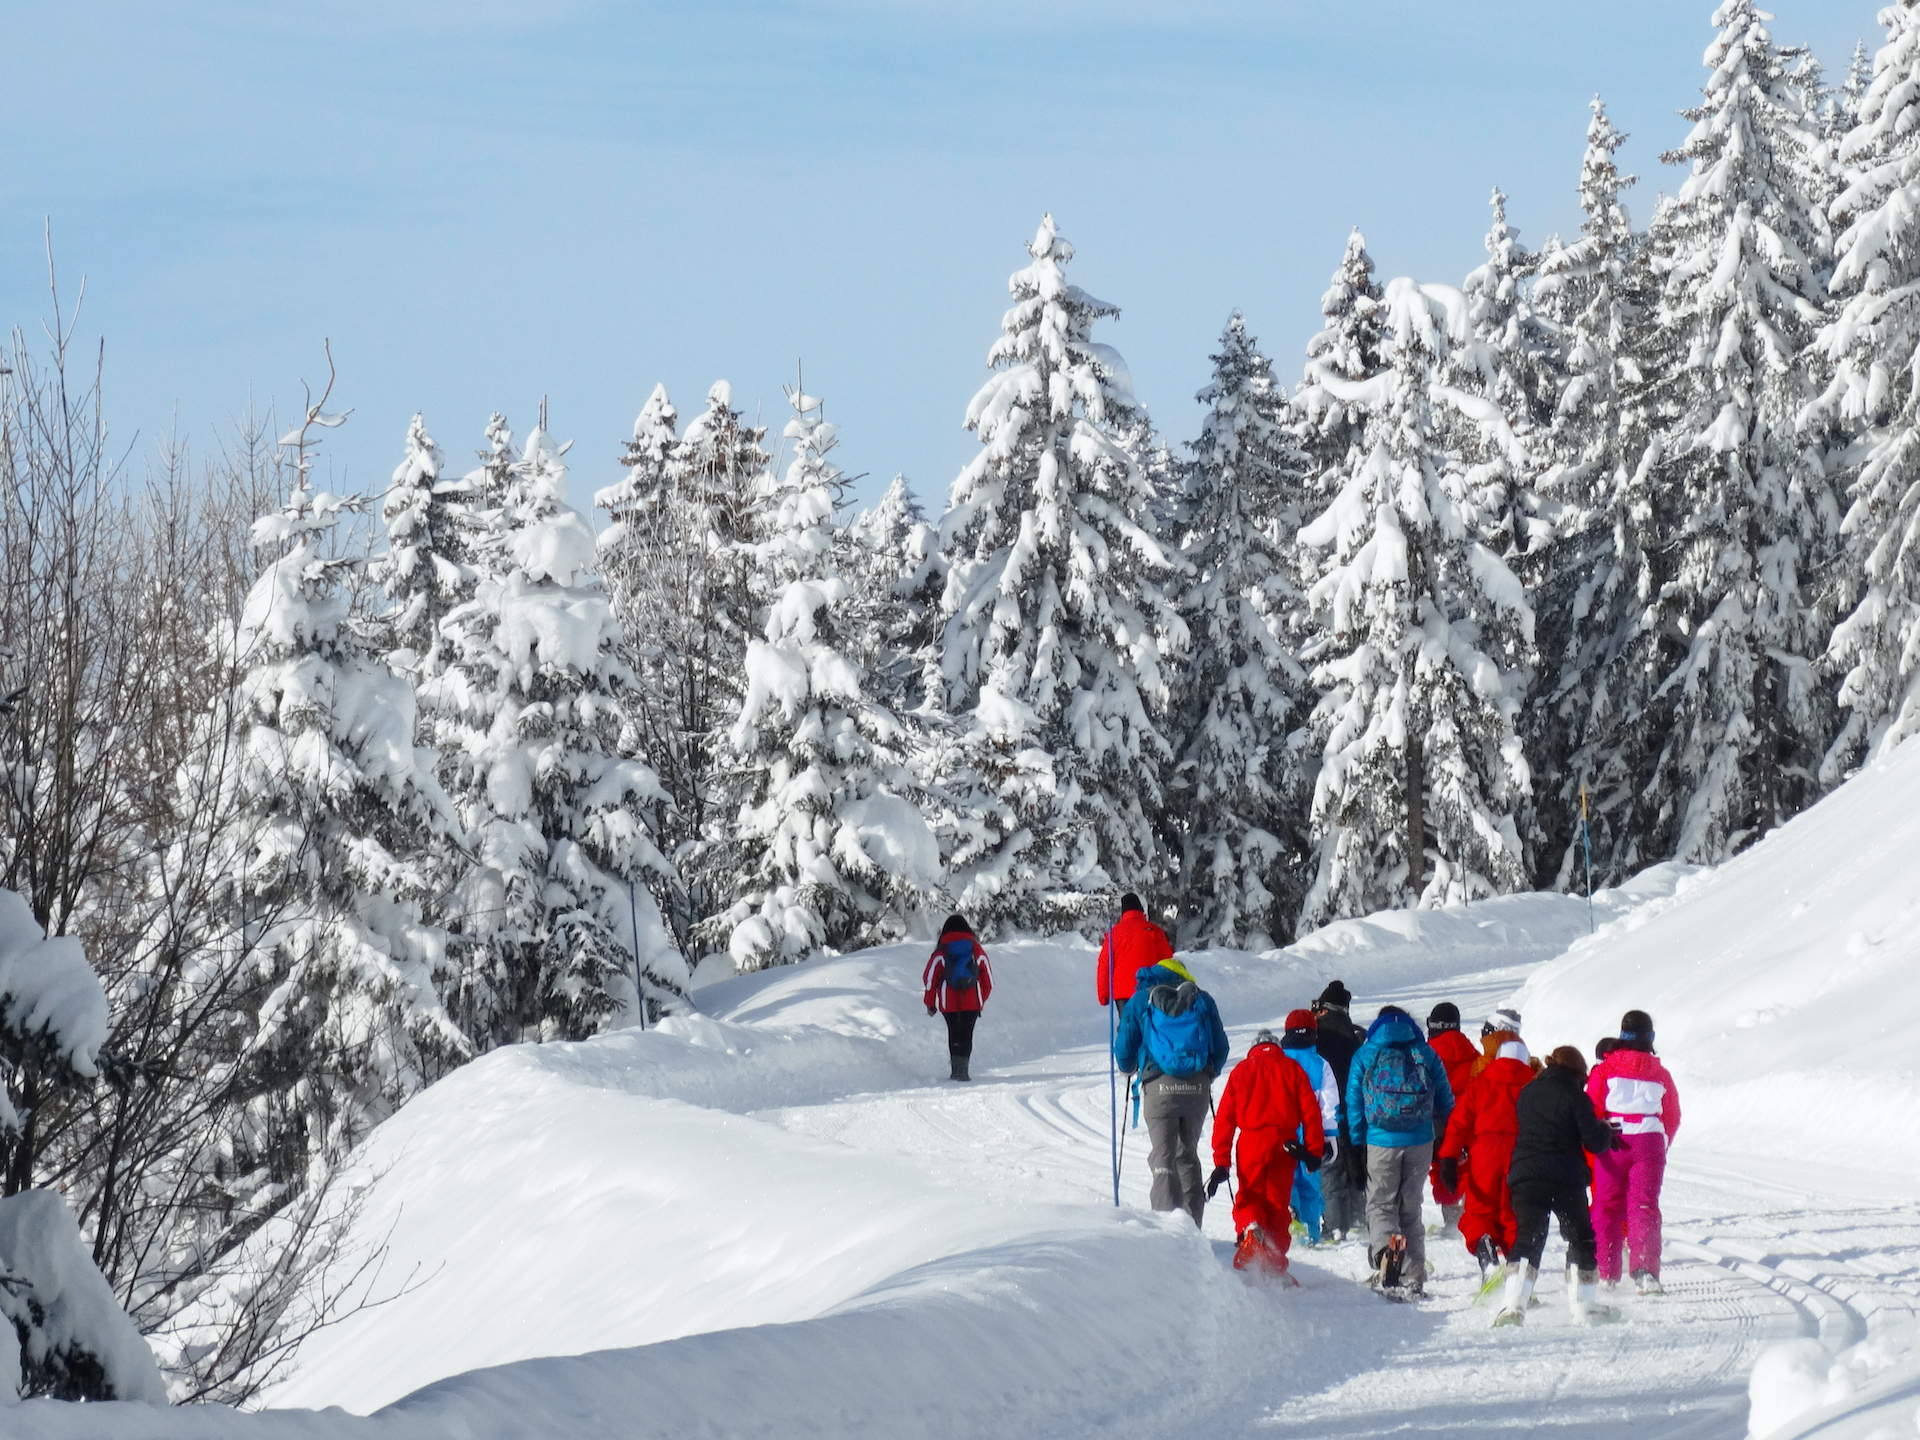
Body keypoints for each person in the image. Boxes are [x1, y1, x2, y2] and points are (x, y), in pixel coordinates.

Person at [1501, 1045, 1622, 1326]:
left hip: (1526, 1176)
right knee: (1580, 1238)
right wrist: (1604, 1130)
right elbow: (1593, 1140)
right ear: (1577, 1074)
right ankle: (1583, 1307)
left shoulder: (1527, 1092)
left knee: (1528, 1238)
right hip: (1565, 1179)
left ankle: (1512, 1306)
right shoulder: (1575, 1097)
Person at [1114, 956, 1230, 1225]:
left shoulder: (1142, 999)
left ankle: (1168, 1231)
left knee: (1163, 1158)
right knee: (1187, 1154)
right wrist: (1207, 1073)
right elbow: (1221, 1048)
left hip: (1159, 1086)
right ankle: (1192, 1230)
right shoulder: (1201, 999)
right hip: (1197, 1088)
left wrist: (1128, 1067)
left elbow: (1124, 1049)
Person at [1347, 1005, 1454, 1296]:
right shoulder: (1426, 1053)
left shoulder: (1366, 1054)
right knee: (1411, 1209)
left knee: (1381, 1204)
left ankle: (1385, 1256)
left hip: (1381, 1140)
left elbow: (1354, 1104)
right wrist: (1452, 1140)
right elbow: (1446, 1100)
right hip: (1421, 1140)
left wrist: (1357, 1144)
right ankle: (1414, 1276)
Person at [1207, 1026, 1327, 1277]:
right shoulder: (1292, 1069)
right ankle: (1275, 1263)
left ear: (1253, 1048)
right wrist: (1313, 1151)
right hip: (1285, 1146)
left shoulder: (1242, 1071)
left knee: (1249, 1194)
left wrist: (1222, 1160)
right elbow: (1311, 1113)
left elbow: (1225, 1120)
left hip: (1250, 1143)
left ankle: (1251, 1228)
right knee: (1277, 1203)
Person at [1587, 1009, 1681, 1294]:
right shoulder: (1660, 1073)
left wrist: (1596, 1137)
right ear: (1650, 1037)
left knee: (1606, 1207)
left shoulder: (1606, 1068)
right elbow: (1672, 1114)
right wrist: (1662, 1142)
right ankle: (1645, 1273)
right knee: (1644, 1206)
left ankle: (1606, 1275)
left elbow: (1591, 1106)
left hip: (1612, 1138)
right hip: (1649, 1140)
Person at [1437, 1024, 1535, 1281]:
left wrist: (1448, 1157)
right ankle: (1517, 1279)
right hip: (1522, 1157)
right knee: (1515, 1217)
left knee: (1479, 1212)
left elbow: (1459, 1123)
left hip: (1484, 1157)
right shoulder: (1533, 1086)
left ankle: (1488, 1259)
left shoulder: (1481, 1083)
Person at [1279, 1010, 1340, 1245]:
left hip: (1283, 1128)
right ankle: (1311, 1234)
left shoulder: (1279, 1059)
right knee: (1310, 1182)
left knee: (1285, 1179)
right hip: (1309, 1129)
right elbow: (1328, 1103)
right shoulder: (1320, 1064)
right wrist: (1330, 1135)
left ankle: (1287, 1223)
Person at [1311, 981, 1366, 1241]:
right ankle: (1358, 1221)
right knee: (1355, 1167)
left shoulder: (1317, 1037)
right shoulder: (1355, 1037)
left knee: (1330, 1171)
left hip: (1327, 1115)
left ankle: (1334, 1226)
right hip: (1355, 1115)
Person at [1424, 1002, 1479, 1235]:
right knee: (1467, 1167)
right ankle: (1468, 1215)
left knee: (1440, 1167)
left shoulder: (1426, 1054)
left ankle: (1452, 1220)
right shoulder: (1473, 1053)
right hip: (1468, 1123)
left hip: (1436, 1123)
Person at [923, 914, 992, 1082]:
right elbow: (988, 980)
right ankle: (964, 1071)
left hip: (949, 1002)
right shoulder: (975, 949)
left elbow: (930, 979)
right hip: (972, 1002)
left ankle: (956, 1072)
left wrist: (930, 1004)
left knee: (954, 1033)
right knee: (966, 1035)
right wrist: (979, 1000)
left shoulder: (942, 950)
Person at [1095, 893, 1173, 1010]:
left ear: (1123, 912)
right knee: (1147, 1025)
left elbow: (1105, 965)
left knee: (1127, 1025)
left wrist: (1104, 995)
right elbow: (1167, 964)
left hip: (1123, 994)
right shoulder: (1154, 931)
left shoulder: (1114, 934)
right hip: (1150, 991)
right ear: (1141, 910)